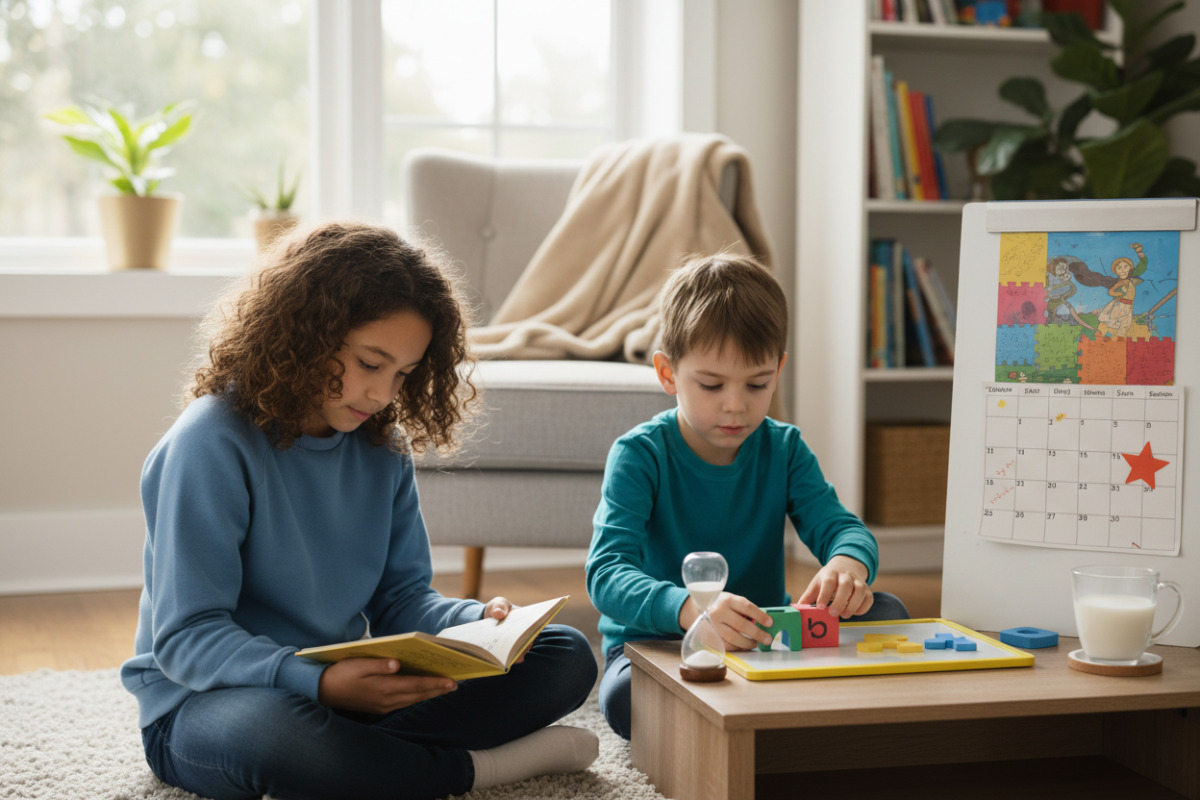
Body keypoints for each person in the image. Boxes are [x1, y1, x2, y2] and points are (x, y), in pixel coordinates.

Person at [121, 221, 599, 800]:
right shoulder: (209, 442)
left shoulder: (380, 446)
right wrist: (316, 683)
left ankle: (361, 765)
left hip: (344, 699)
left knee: (564, 654)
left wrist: (475, 621)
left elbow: (401, 601)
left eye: (403, 374)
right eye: (371, 363)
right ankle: (476, 769)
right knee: (279, 739)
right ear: (303, 333)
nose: (382, 395)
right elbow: (187, 638)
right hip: (207, 703)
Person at [586, 253, 909, 740]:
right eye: (711, 385)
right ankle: (774, 708)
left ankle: (762, 705)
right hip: (664, 641)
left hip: (767, 637)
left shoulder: (784, 448)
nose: (735, 405)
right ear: (668, 373)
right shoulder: (639, 454)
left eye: (757, 384)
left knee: (888, 614)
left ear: (778, 370)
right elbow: (607, 574)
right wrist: (690, 610)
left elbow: (841, 527)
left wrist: (848, 566)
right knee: (626, 699)